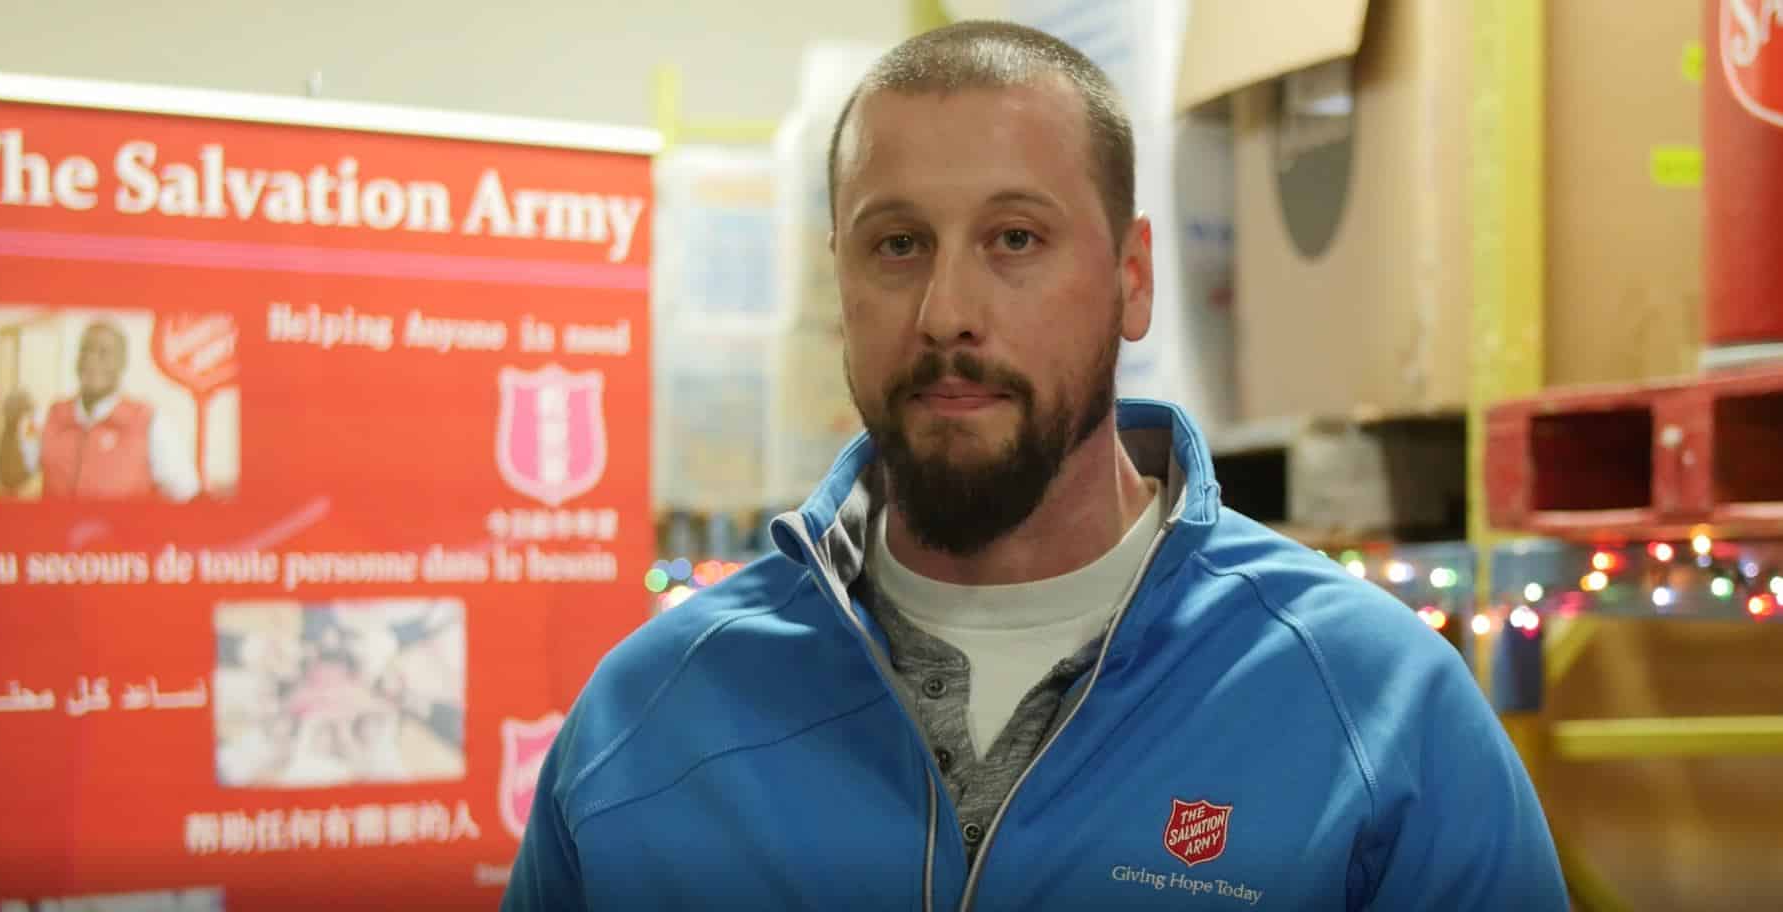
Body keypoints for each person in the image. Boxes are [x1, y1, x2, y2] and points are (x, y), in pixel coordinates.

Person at [504, 21, 1568, 912]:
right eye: (897, 244)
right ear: (841, 282)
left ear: (1132, 279)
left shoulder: (1374, 709)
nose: (947, 313)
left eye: (1014, 239)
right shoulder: (652, 722)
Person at [0, 318, 201, 502]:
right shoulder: (50, 416)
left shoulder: (151, 422)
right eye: (85, 350)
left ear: (121, 363)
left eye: (103, 353)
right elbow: (11, 478)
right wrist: (11, 425)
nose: (91, 359)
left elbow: (186, 495)